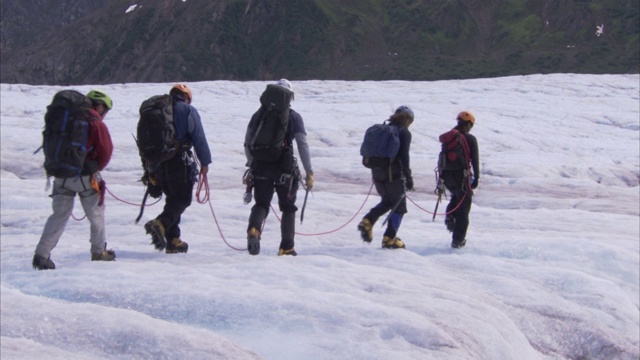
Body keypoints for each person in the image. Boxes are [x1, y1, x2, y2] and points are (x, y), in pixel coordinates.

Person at [33, 90, 115, 270]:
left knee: (59, 215)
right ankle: (98, 251)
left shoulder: (67, 119)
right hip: (85, 176)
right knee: (96, 214)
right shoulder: (94, 122)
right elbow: (105, 151)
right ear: (99, 106)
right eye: (105, 110)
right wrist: (95, 168)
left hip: (61, 175)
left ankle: (42, 254)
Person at [244, 79, 314, 256]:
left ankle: (254, 230)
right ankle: (286, 246)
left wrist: (252, 164)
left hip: (260, 165)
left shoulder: (259, 115)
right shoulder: (294, 117)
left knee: (261, 204)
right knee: (288, 207)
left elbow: (248, 143)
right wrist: (309, 172)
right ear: (289, 97)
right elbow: (302, 144)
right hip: (285, 168)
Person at [143, 84, 212, 254]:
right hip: (179, 161)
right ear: (186, 96)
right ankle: (161, 223)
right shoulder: (187, 110)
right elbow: (198, 136)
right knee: (182, 199)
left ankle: (173, 240)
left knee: (173, 198)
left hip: (159, 162)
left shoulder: (158, 111)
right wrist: (205, 162)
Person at [358, 106, 414, 249]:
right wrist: (408, 177)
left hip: (377, 173)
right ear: (407, 119)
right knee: (399, 207)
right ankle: (389, 238)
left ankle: (368, 221)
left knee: (388, 201)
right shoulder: (403, 133)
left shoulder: (384, 129)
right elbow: (404, 156)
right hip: (394, 175)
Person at [441, 111, 479, 249]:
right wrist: (477, 178)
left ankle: (450, 214)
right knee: (464, 210)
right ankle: (458, 241)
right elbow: (475, 160)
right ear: (468, 124)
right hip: (461, 177)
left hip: (447, 177)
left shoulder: (449, 137)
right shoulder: (469, 139)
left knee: (456, 197)